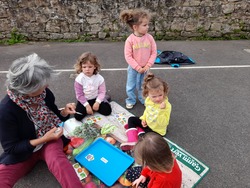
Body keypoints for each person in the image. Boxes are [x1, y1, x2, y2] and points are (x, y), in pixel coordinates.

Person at [0, 53, 83, 188]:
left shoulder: (44, 93)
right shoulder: (6, 110)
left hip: (50, 141)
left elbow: (55, 115)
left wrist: (64, 112)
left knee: (60, 164)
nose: (46, 85)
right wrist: (43, 139)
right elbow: (11, 148)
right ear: (26, 89)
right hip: (24, 152)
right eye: (41, 85)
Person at [120, 72, 171, 151]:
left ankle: (137, 131)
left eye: (160, 95)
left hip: (156, 131)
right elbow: (147, 111)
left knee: (147, 140)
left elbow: (163, 123)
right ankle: (133, 140)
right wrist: (143, 119)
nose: (157, 99)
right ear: (147, 94)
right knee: (131, 119)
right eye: (154, 96)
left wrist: (161, 111)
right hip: (147, 124)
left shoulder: (166, 106)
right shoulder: (148, 100)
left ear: (164, 92)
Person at [119, 8, 157, 109]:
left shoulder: (149, 38)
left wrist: (148, 65)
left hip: (145, 68)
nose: (147, 27)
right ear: (135, 27)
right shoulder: (130, 40)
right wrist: (137, 67)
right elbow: (128, 56)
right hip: (133, 68)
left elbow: (154, 53)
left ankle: (143, 99)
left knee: (143, 85)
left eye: (148, 24)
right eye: (144, 25)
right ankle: (131, 99)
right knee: (130, 86)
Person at [73, 52, 112, 121]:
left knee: (107, 111)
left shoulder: (99, 78)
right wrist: (87, 106)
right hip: (84, 99)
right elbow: (79, 95)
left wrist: (97, 102)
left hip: (95, 98)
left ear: (95, 66)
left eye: (90, 67)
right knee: (77, 116)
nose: (87, 69)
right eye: (84, 67)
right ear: (81, 67)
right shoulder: (79, 79)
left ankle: (105, 99)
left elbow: (102, 92)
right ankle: (91, 106)